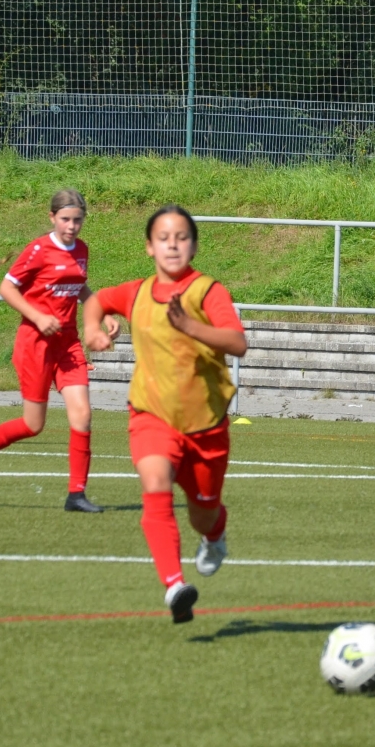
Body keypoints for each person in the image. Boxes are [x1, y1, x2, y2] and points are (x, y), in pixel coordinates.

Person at [83, 204, 247, 625]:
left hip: (206, 426)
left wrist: (191, 327)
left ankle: (214, 535)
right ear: (149, 247)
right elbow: (97, 301)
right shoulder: (136, 292)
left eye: (181, 237)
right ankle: (175, 586)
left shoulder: (208, 292)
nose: (172, 245)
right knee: (155, 483)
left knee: (203, 513)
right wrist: (92, 329)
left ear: (194, 246)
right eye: (163, 238)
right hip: (151, 414)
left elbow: (237, 343)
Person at [0, 189, 116, 512]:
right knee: (33, 424)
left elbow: (79, 286)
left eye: (78, 220)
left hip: (67, 344)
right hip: (35, 344)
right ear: (52, 217)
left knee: (83, 415)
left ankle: (76, 495)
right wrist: (38, 317)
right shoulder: (39, 249)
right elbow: (6, 288)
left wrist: (101, 311)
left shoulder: (81, 249)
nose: (72, 226)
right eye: (65, 219)